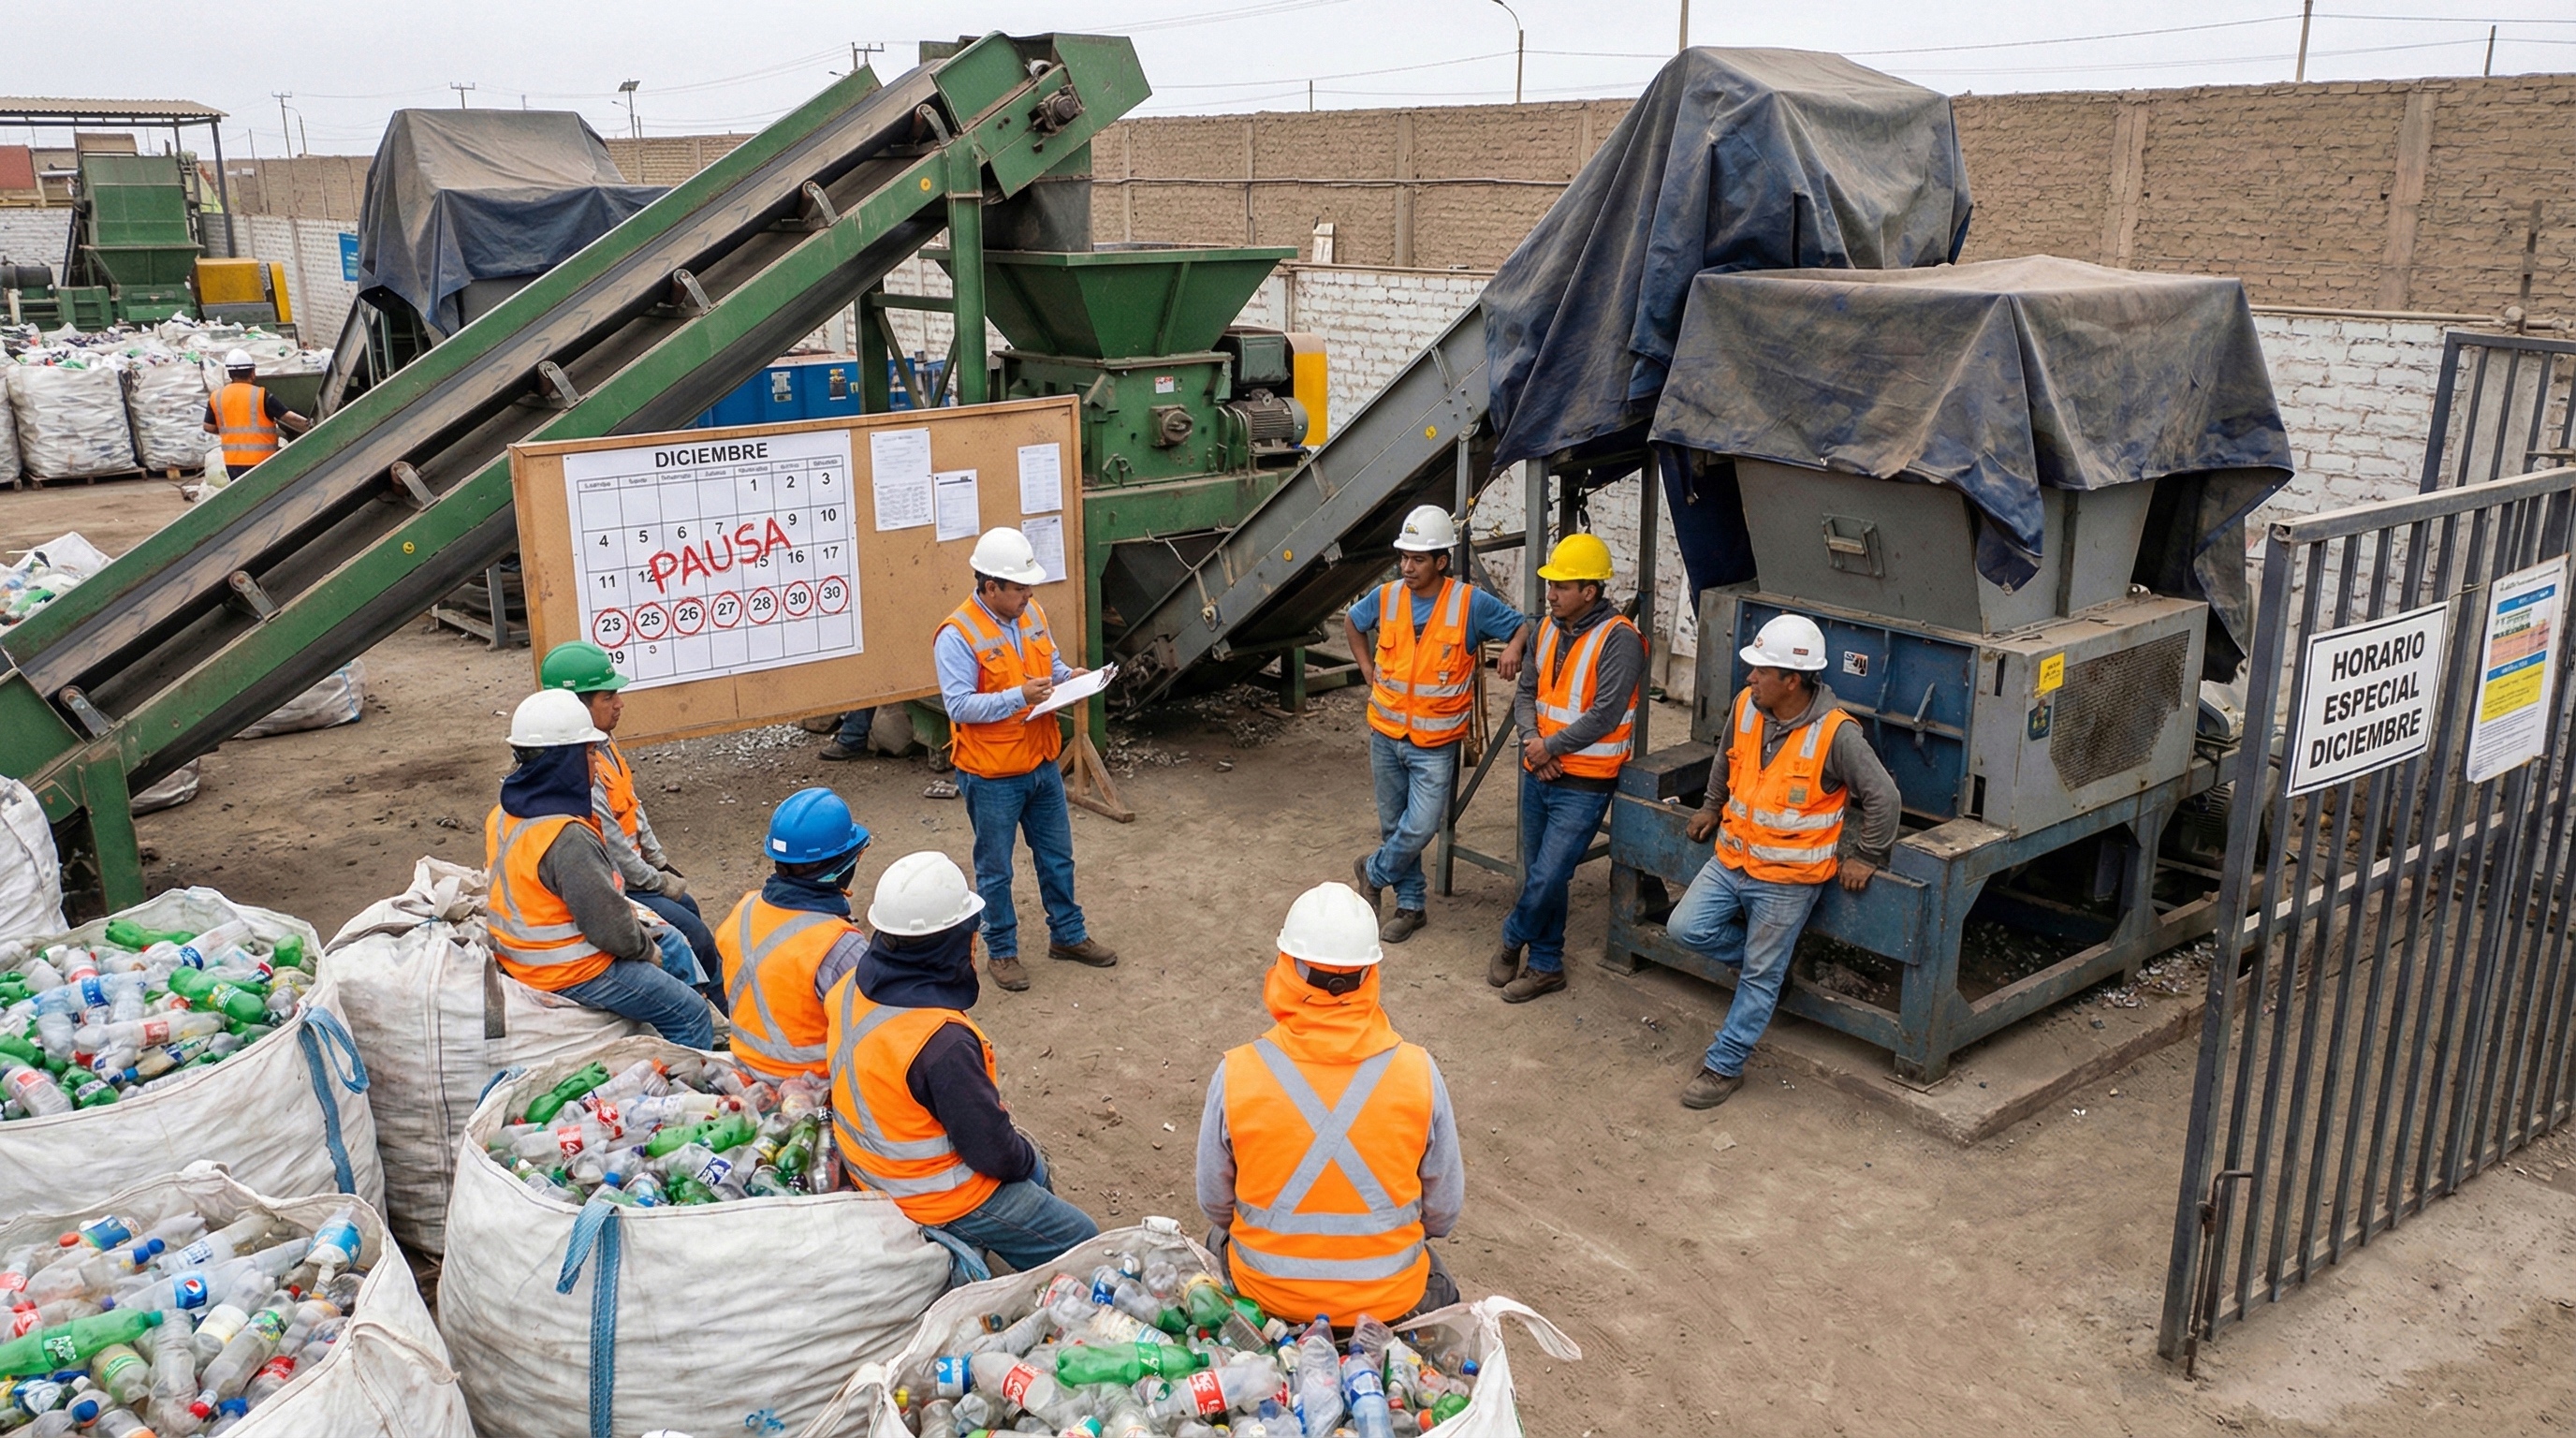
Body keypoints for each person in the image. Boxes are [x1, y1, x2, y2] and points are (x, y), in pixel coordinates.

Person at [1194, 881, 1465, 1328]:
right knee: (1440, 1286)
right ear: (1368, 974)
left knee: (1215, 1241)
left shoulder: (1237, 1073)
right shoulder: (1419, 1072)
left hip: (1265, 1295)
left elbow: (1215, 1203)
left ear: (1287, 967)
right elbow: (1443, 1213)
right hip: (1390, 1301)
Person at [827, 850, 1100, 1271]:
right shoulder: (942, 1041)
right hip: (935, 1197)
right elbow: (994, 1153)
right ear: (952, 941)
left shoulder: (849, 987)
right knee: (1086, 1242)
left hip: (870, 1168)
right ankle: (974, 1248)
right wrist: (1027, 1163)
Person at [1673, 613, 1900, 1110]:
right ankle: (1772, 972)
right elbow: (1725, 757)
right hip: (1733, 859)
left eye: (1761, 671)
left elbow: (1884, 797)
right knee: (1686, 929)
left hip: (1789, 880)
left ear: (1792, 680)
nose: (1750, 677)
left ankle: (1724, 1065)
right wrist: (1711, 804)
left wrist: (1868, 856)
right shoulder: (1747, 706)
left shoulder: (1837, 735)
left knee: (1758, 975)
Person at [936, 526, 1118, 992]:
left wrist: (1070, 677)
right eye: (1018, 588)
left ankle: (1068, 936)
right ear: (989, 586)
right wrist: (1018, 696)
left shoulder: (1030, 612)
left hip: (1040, 764)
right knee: (995, 870)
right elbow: (958, 706)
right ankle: (1002, 951)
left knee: (1058, 858)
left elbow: (1050, 667)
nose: (1028, 594)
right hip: (991, 775)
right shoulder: (957, 636)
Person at [484, 689, 714, 1048]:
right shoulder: (567, 836)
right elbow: (608, 927)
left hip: (522, 953)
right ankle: (689, 1089)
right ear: (563, 763)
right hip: (568, 969)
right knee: (689, 1013)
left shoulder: (505, 814)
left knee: (673, 940)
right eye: (590, 753)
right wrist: (645, 950)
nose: (596, 762)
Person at [1345, 505, 1530, 945]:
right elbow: (1353, 623)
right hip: (1386, 734)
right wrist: (1368, 670)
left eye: (1418, 559)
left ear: (1441, 562)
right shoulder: (1387, 597)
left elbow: (1522, 626)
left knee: (1422, 825)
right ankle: (1411, 907)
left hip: (1435, 742)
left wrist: (1512, 649)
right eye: (1404, 557)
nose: (1407, 567)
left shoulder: (1469, 603)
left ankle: (1371, 872)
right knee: (1395, 827)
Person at [1493, 533, 1643, 1003]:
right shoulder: (1545, 629)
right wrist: (1532, 743)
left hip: (1585, 781)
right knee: (1540, 870)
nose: (1550, 594)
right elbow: (1526, 695)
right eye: (1550, 586)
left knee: (1549, 874)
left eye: (1560, 586)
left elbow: (1605, 713)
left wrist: (1548, 747)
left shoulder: (1621, 640)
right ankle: (1545, 967)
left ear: (1589, 593)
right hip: (1540, 767)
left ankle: (1512, 936)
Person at [540, 640, 721, 1000]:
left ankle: (710, 997)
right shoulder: (577, 770)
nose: (619, 704)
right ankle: (709, 1011)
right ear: (577, 706)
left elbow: (633, 805)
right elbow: (614, 848)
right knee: (692, 935)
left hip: (636, 872)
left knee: (689, 909)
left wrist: (659, 860)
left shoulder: (604, 745)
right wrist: (657, 881)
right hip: (619, 881)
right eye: (608, 697)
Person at [716, 787, 872, 1080]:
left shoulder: (745, 909)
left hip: (746, 1068)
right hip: (812, 1084)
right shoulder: (840, 945)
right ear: (842, 865)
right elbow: (870, 1032)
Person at [200, 349, 311, 477]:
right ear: (252, 373)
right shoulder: (261, 395)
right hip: (263, 461)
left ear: (230, 374)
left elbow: (208, 427)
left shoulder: (216, 396)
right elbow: (289, 417)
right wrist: (312, 427)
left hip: (233, 462)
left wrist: (229, 432)